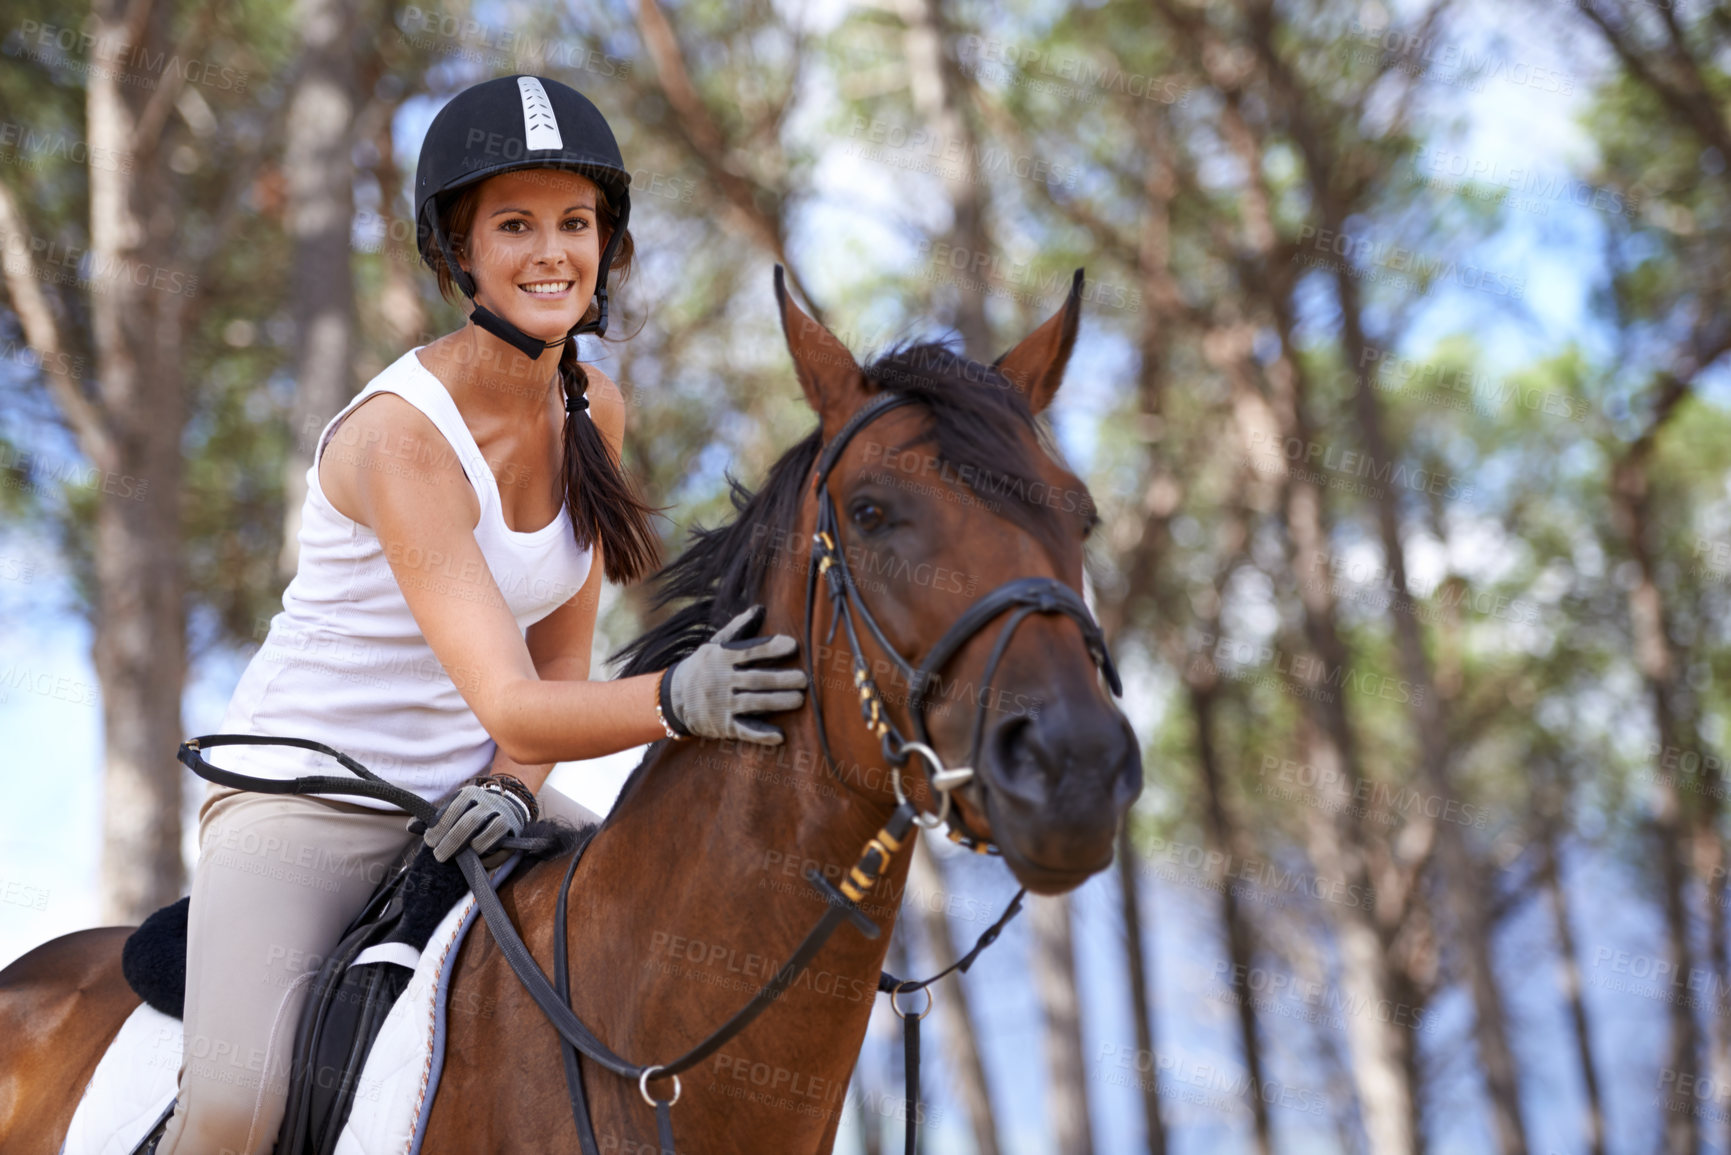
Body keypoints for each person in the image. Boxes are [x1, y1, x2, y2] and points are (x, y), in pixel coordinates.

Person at [155, 75, 808, 1155]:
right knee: (236, 1107)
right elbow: (513, 695)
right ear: (457, 253)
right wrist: (679, 701)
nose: (553, 252)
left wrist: (511, 787)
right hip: (309, 803)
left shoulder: (595, 406)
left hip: (476, 798)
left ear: (608, 244)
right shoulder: (399, 444)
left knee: (679, 940)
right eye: (515, 225)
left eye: (575, 223)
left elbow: (552, 674)